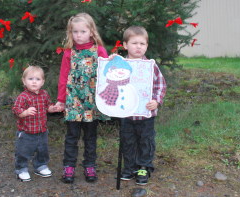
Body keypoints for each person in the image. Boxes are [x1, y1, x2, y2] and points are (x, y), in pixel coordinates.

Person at [54, 13, 109, 183]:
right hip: (73, 101)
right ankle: (69, 166)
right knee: (72, 135)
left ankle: (90, 165)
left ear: (91, 32)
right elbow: (63, 77)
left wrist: (108, 98)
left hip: (92, 101)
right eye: (74, 32)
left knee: (90, 135)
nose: (78, 35)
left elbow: (108, 74)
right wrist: (61, 100)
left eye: (82, 31)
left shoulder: (99, 50)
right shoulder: (69, 52)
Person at [119, 26, 166, 185]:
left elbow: (160, 85)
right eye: (134, 43)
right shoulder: (121, 65)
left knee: (146, 142)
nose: (138, 47)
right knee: (128, 141)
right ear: (125, 45)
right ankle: (130, 167)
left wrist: (156, 101)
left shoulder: (150, 65)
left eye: (142, 43)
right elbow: (112, 84)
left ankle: (143, 167)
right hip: (127, 113)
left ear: (146, 46)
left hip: (146, 113)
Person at [12, 66, 59, 182]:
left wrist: (52, 109)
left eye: (37, 79)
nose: (34, 81)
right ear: (24, 81)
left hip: (42, 130)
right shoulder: (23, 96)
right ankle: (21, 169)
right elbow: (16, 110)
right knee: (23, 151)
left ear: (42, 82)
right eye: (30, 78)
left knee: (42, 150)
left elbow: (48, 106)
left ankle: (40, 166)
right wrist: (25, 112)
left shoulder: (44, 94)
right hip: (26, 131)